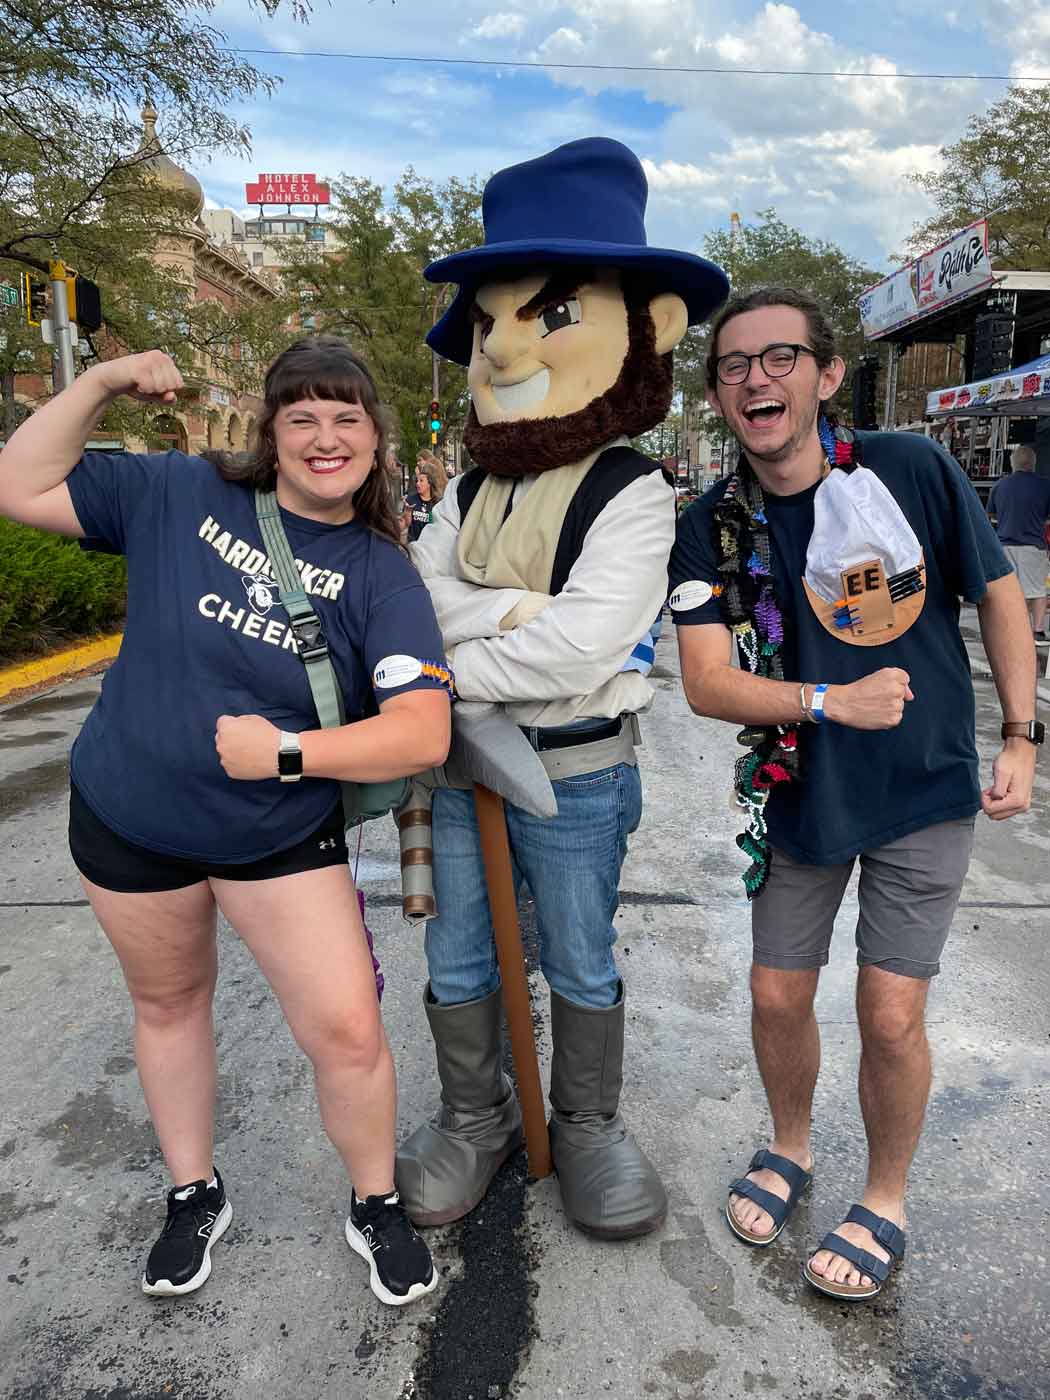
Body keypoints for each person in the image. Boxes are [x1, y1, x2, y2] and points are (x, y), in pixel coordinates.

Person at [0, 335, 452, 1307]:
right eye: (303, 418)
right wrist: (104, 379)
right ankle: (193, 1189)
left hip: (276, 836)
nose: (326, 437)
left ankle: (375, 1201)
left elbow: (421, 728)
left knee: (349, 1030)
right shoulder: (176, 489)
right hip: (129, 820)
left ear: (376, 440)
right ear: (272, 432)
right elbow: (18, 484)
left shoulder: (379, 572)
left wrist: (287, 754)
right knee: (167, 1005)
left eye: (346, 419)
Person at [669, 287, 1040, 1302]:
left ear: (827, 376)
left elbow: (999, 590)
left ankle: (885, 1194)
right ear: (719, 395)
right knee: (776, 992)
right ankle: (790, 1143)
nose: (758, 377)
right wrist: (828, 699)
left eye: (781, 356)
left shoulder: (909, 469)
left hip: (924, 790)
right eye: (736, 364)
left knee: (889, 1012)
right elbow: (704, 680)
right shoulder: (710, 524)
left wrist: (1019, 729)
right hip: (802, 794)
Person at [395, 137, 729, 1240]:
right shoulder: (471, 483)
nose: (501, 347)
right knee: (456, 951)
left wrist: (463, 647)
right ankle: (475, 1114)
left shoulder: (635, 492)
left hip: (578, 771)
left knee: (581, 948)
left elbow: (583, 650)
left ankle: (584, 1120)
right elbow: (415, 594)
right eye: (489, 320)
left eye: (542, 312)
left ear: (646, 326)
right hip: (454, 767)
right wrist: (509, 617)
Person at [986, 444, 1050, 638]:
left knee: (1008, 591)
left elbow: (990, 515)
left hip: (1004, 545)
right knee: (1038, 589)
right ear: (1033, 463)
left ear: (1012, 463)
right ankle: (1037, 631)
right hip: (1033, 545)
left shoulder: (999, 486)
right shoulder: (1046, 485)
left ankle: (1009, 629)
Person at [402, 451, 447, 543]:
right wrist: (406, 517)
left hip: (430, 548)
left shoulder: (437, 503)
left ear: (429, 483)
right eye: (417, 481)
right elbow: (404, 526)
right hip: (413, 547)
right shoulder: (410, 500)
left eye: (421, 481)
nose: (417, 484)